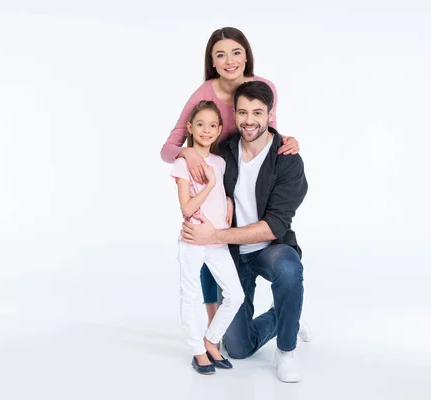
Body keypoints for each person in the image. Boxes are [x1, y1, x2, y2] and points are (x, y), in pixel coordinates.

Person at [161, 26, 300, 326]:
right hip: (212, 183)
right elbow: (168, 148)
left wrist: (288, 140)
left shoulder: (265, 86)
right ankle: (214, 325)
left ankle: (288, 314)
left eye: (236, 52)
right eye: (220, 55)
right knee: (206, 245)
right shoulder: (203, 94)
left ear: (247, 55)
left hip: (248, 180)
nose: (229, 60)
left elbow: (267, 130)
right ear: (212, 61)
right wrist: (188, 153)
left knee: (257, 244)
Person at [180, 81, 309, 382]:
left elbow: (274, 225)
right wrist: (186, 155)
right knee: (238, 348)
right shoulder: (223, 150)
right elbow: (190, 150)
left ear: (270, 114)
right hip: (234, 254)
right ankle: (286, 316)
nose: (249, 120)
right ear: (234, 114)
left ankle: (287, 349)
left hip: (271, 247)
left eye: (257, 112)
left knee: (289, 269)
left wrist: (213, 236)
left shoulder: (287, 159)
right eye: (242, 112)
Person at [171, 100, 244, 375]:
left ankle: (210, 340)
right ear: (190, 127)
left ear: (219, 129)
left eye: (212, 125)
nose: (206, 130)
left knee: (235, 295)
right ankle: (197, 350)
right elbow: (187, 208)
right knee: (189, 297)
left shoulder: (221, 162)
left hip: (217, 240)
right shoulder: (183, 163)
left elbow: (222, 194)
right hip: (192, 241)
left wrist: (228, 201)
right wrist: (210, 184)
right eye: (200, 124)